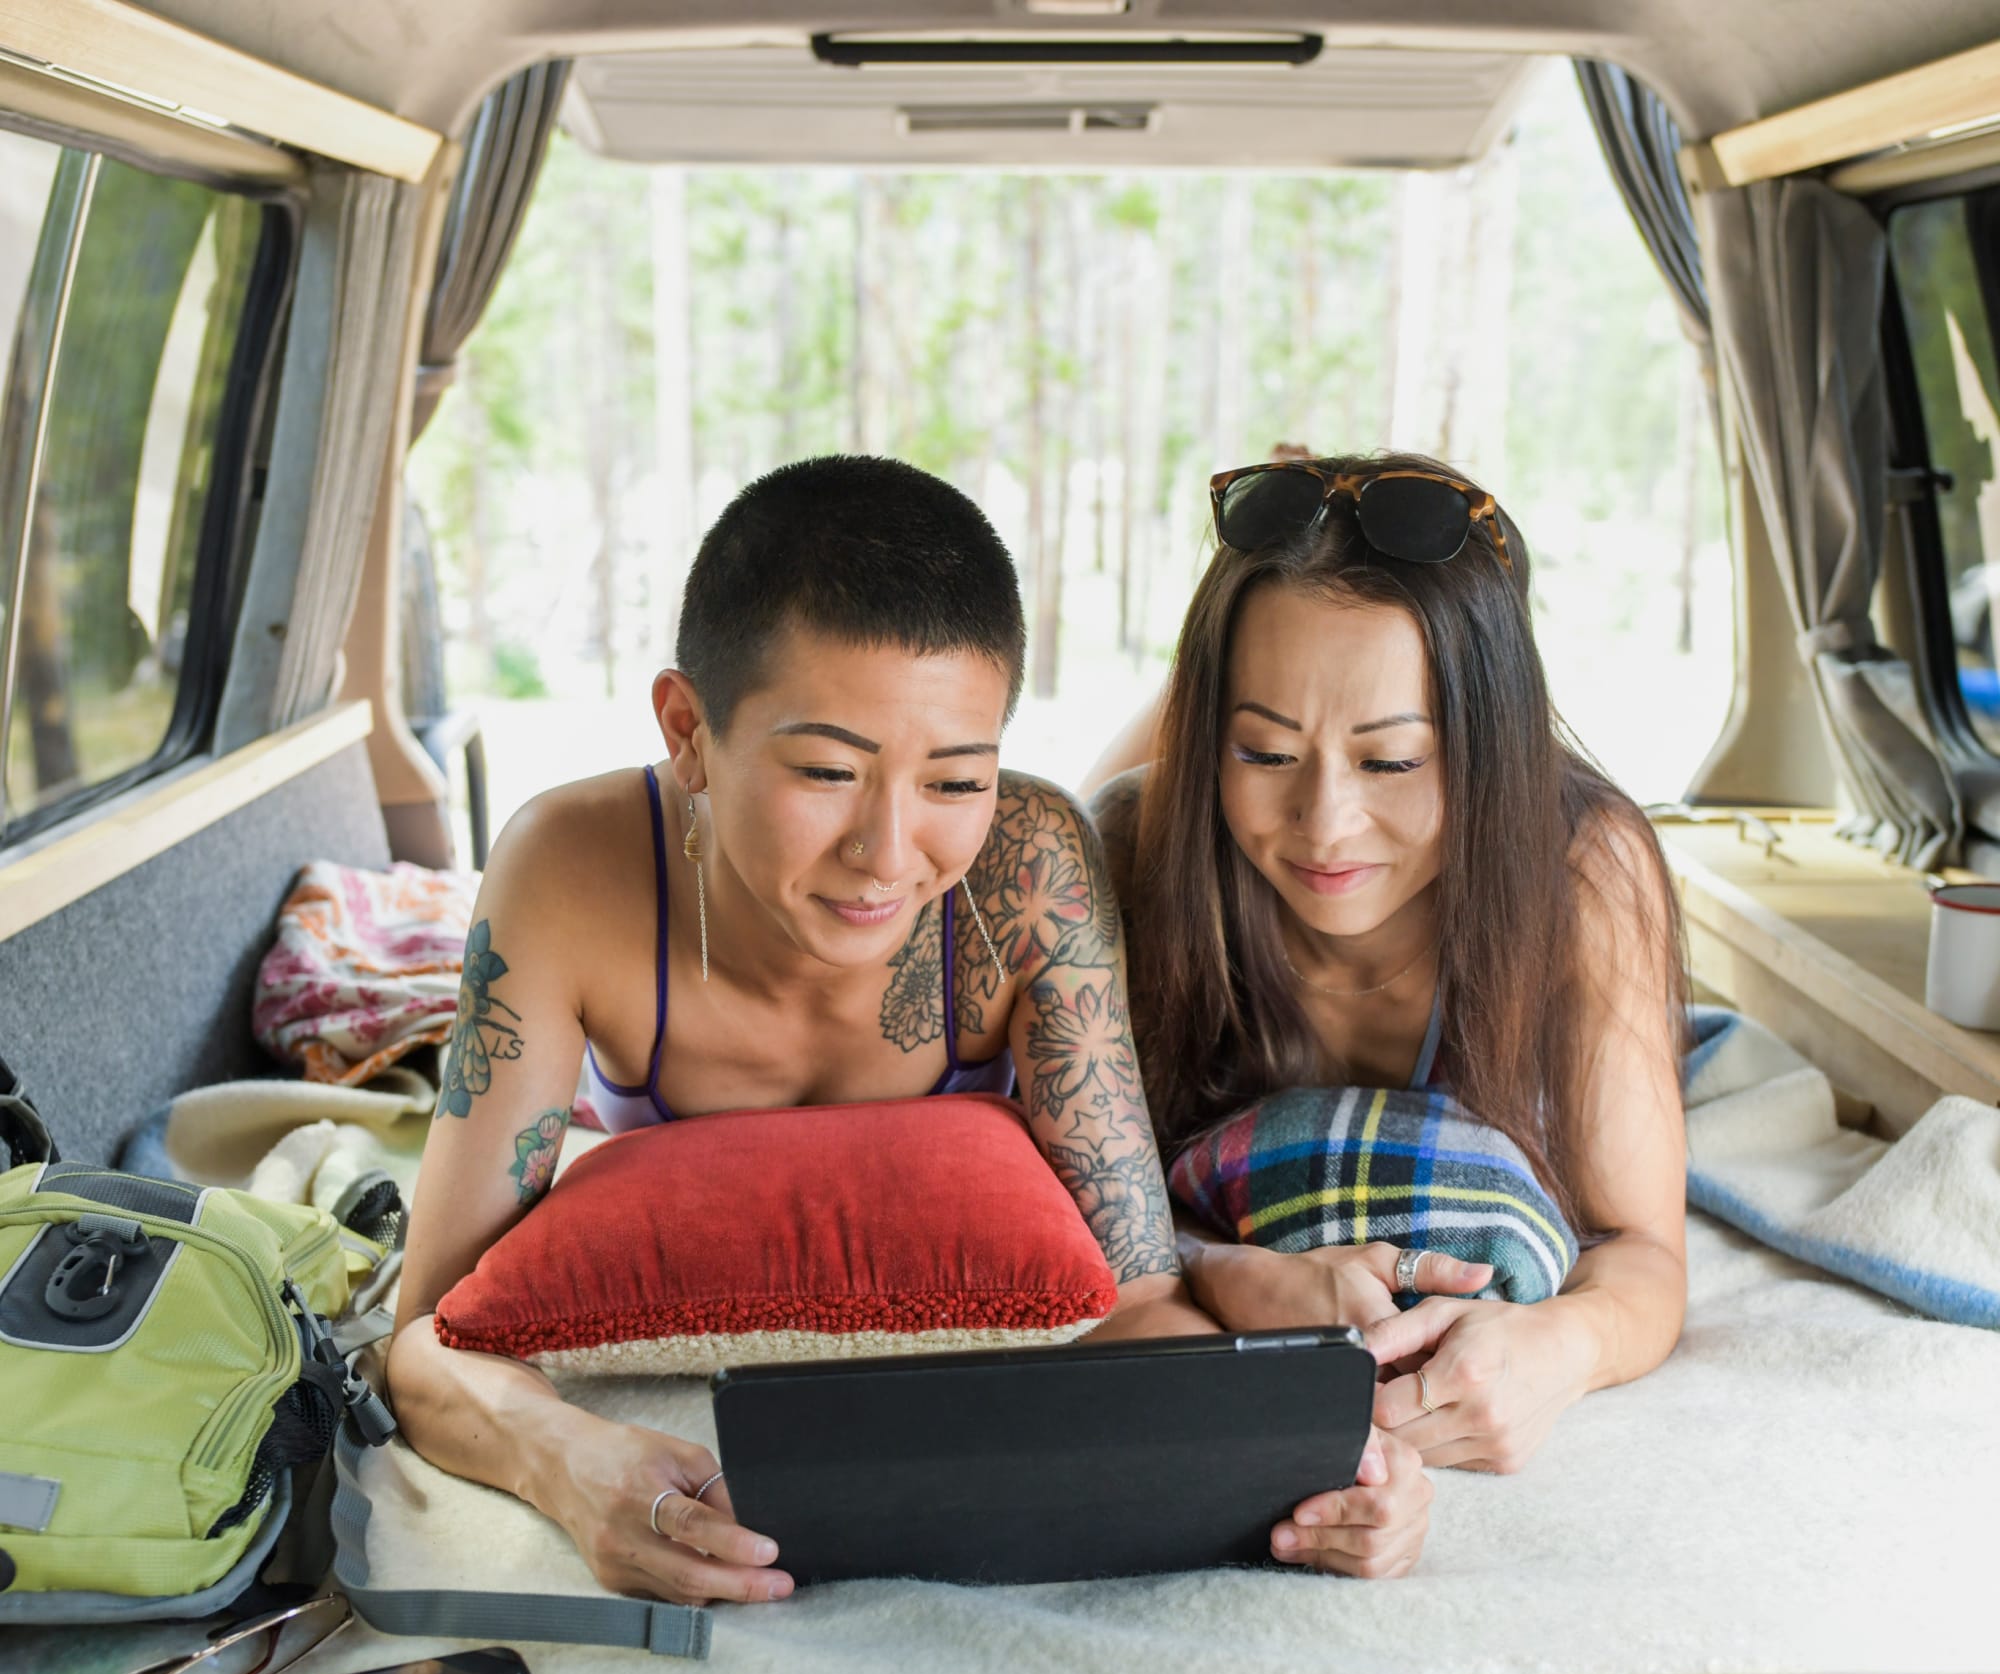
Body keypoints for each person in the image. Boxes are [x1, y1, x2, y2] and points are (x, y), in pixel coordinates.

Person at [388, 456, 1429, 1605]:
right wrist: (571, 1464)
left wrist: (1335, 1475)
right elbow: (431, 1329)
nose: (887, 852)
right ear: (688, 729)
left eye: (952, 780)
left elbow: (1134, 1296)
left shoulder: (1031, 863)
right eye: (827, 771)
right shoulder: (565, 872)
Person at [1090, 449, 1689, 1476]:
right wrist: (1216, 1270)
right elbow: (1059, 1206)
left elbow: (1640, 1247)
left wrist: (1559, 1345)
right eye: (1265, 753)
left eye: (1391, 761)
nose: (1324, 825)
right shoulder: (1133, 850)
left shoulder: (1583, 869)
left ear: (1489, 742)